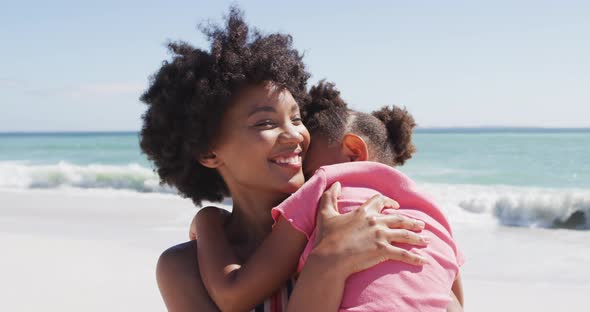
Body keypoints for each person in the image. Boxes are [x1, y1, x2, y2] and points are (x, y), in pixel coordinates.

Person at [140, 7, 430, 312]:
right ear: (209, 152)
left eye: (296, 118)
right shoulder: (186, 268)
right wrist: (326, 263)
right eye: (265, 123)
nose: (294, 135)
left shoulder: (361, 224)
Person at [195, 81, 465, 311]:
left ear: (353, 153)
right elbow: (455, 300)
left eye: (309, 170)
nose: (307, 180)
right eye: (266, 122)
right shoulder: (428, 209)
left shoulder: (325, 189)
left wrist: (207, 219)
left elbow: (233, 295)